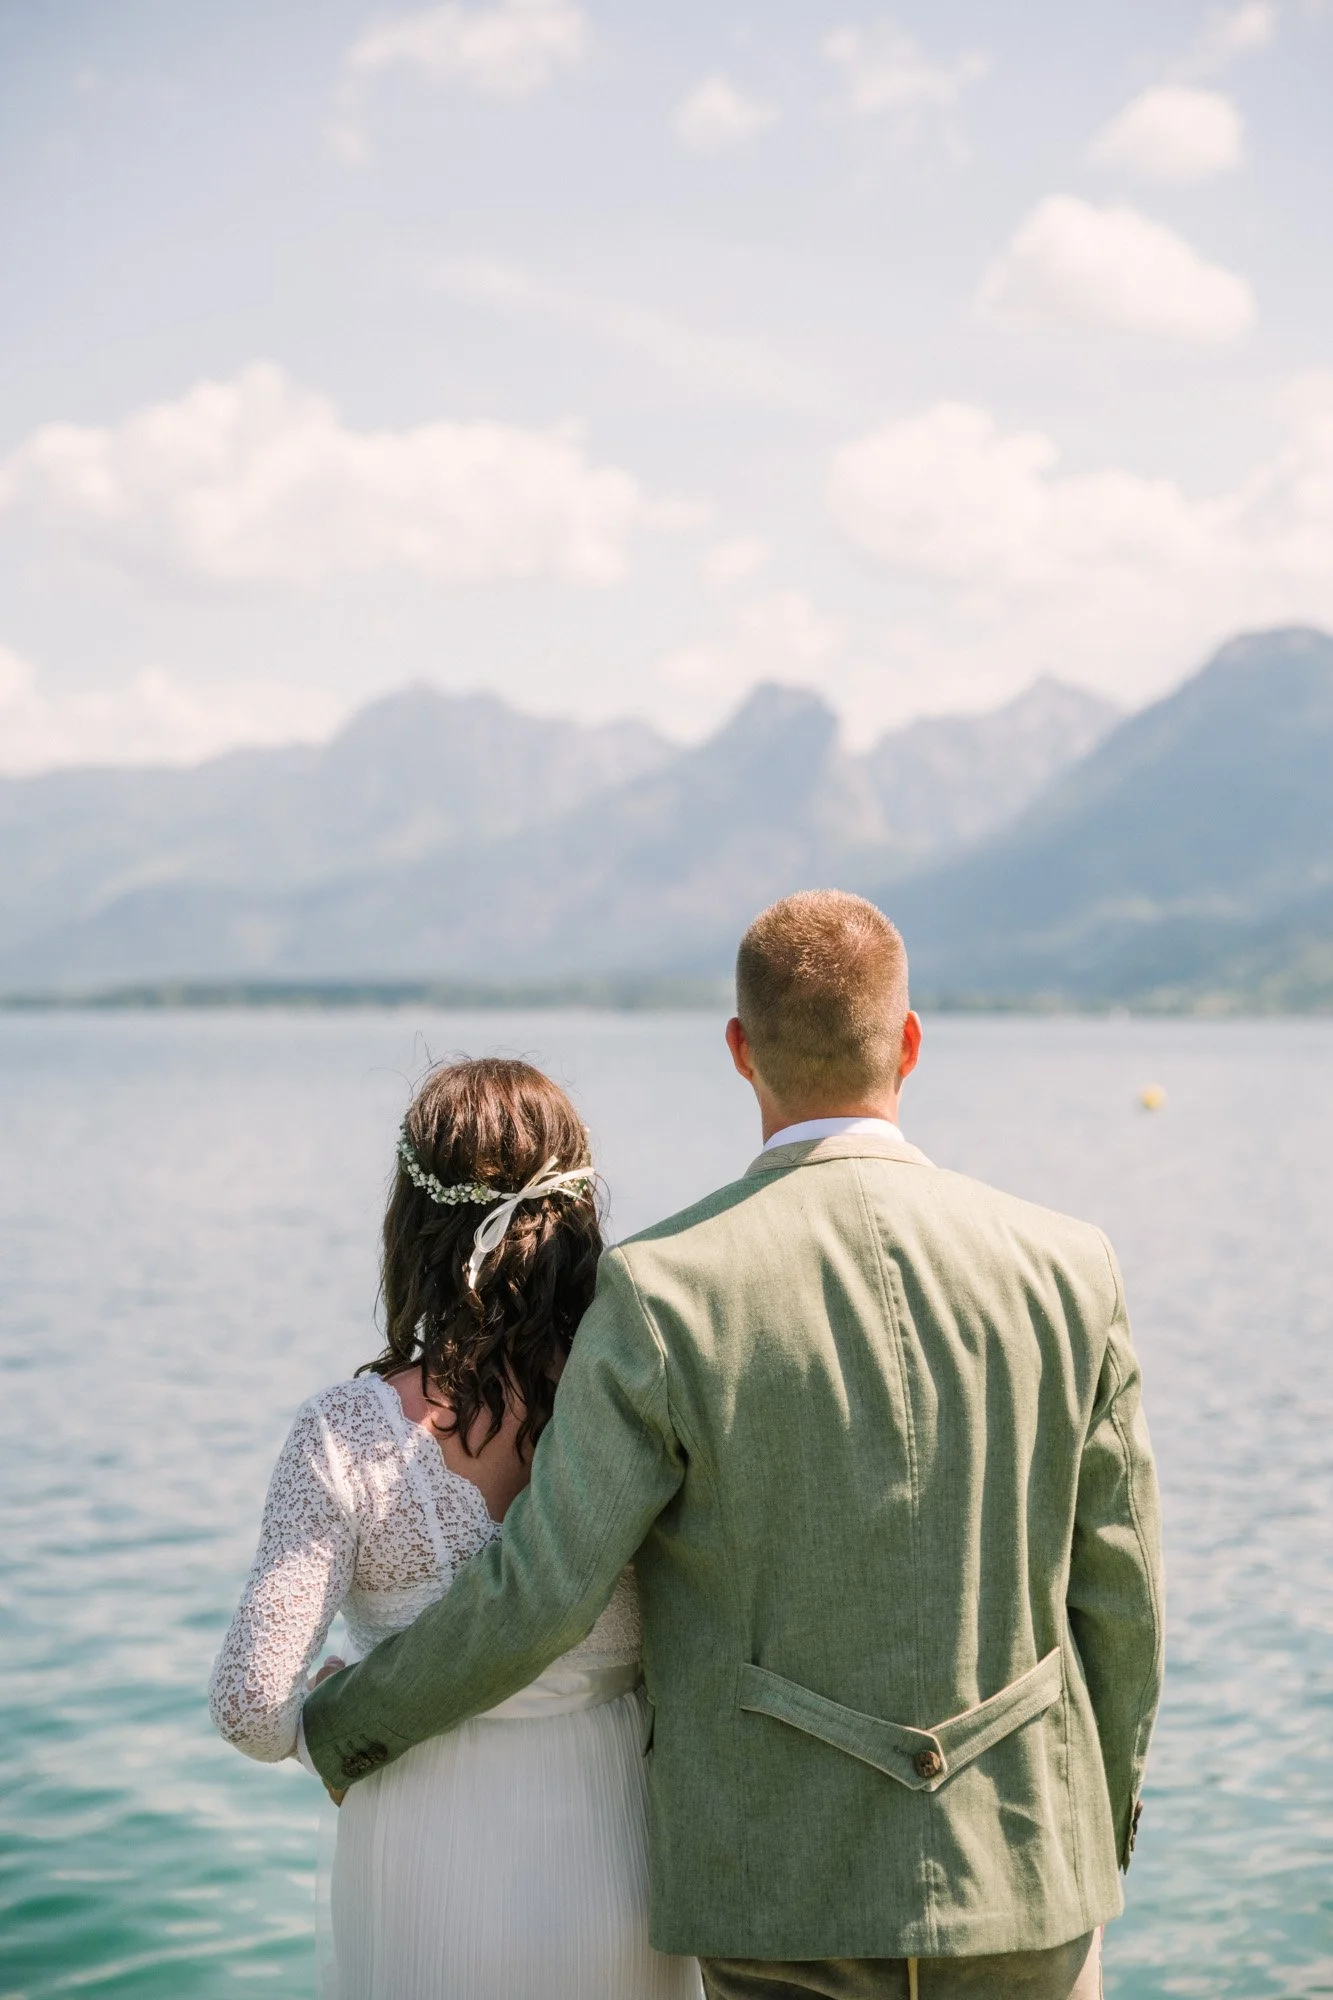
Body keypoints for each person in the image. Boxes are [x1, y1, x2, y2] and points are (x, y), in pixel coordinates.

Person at [302, 891, 1166, 2000]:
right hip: (1030, 1875)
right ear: (908, 1041)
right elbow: (1124, 1602)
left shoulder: (664, 1288)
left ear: (739, 1049)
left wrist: (348, 1724)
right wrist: (1092, 1832)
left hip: (779, 1898)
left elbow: (542, 1591)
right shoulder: (1070, 1268)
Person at [209, 1057, 702, 2000]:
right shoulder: (645, 1399)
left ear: (412, 1220)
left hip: (423, 1845)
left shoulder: (344, 1431)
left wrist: (327, 1724)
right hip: (621, 1847)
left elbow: (248, 1705)